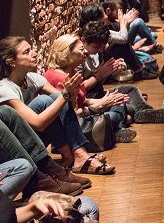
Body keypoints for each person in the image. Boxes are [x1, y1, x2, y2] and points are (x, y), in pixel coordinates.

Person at [0, 37, 116, 176]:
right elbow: (38, 123)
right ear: (11, 62)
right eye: (27, 52)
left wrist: (71, 93)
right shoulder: (5, 89)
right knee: (43, 101)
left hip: (36, 140)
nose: (34, 54)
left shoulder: (32, 78)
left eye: (31, 49)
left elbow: (64, 101)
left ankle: (77, 154)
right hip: (16, 149)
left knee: (55, 98)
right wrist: (67, 94)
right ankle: (77, 155)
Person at [45, 34, 136, 144]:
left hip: (84, 111)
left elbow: (83, 100)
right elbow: (74, 113)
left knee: (119, 102)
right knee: (113, 116)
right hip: (73, 125)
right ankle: (118, 127)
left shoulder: (72, 71)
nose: (85, 52)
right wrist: (101, 104)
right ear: (67, 52)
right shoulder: (59, 78)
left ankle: (117, 127)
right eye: (81, 49)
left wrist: (106, 100)